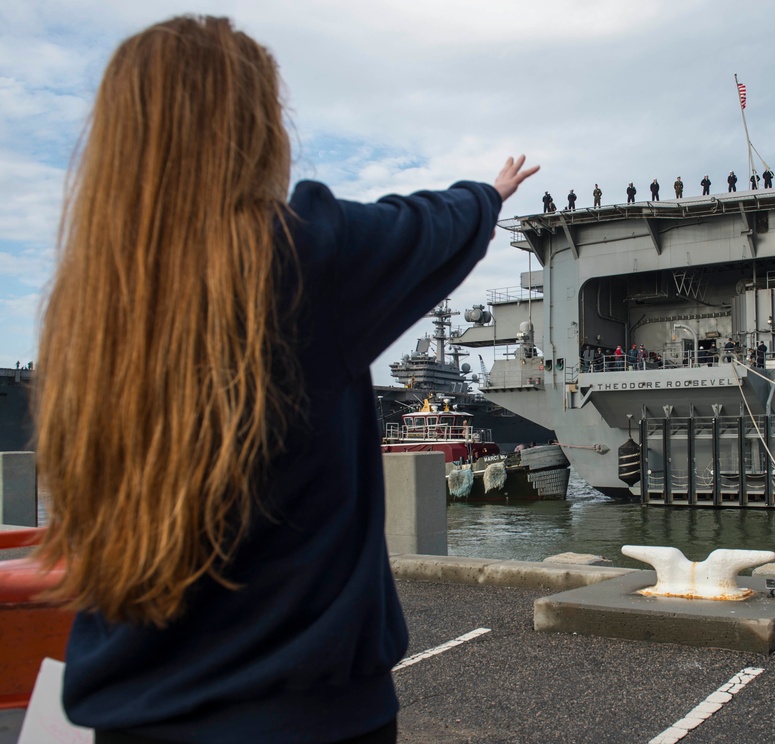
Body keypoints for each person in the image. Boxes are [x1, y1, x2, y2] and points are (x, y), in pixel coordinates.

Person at [32, 16, 539, 743]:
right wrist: (489, 195)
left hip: (132, 717)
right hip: (306, 721)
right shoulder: (303, 259)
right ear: (257, 128)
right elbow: (430, 225)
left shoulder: (88, 309)